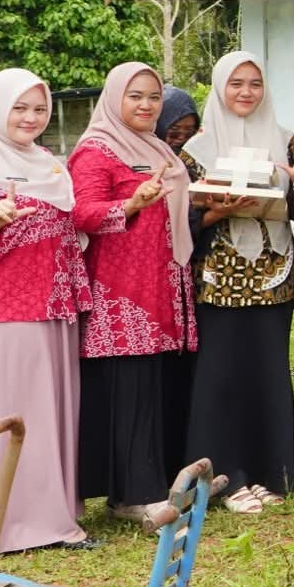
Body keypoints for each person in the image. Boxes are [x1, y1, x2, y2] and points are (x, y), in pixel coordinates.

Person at [0, 69, 95, 553]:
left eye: (39, 108)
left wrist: (128, 206)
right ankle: (8, 526)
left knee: (48, 412)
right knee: (15, 414)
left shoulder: (48, 165)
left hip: (53, 303)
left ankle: (52, 515)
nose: (31, 118)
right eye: (20, 108)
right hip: (5, 310)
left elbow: (74, 225)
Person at [182, 51, 294, 514]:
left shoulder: (286, 141)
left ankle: (268, 470)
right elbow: (187, 220)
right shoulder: (196, 149)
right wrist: (221, 208)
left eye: (254, 83)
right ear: (220, 87)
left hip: (274, 273)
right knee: (221, 377)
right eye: (236, 82)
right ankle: (226, 477)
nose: (245, 91)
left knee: (267, 371)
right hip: (219, 276)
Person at [69, 61, 196, 524]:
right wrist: (130, 205)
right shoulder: (96, 151)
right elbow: (81, 213)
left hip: (159, 284)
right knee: (128, 392)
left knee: (151, 388)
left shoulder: (158, 147)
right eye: (135, 96)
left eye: (153, 97)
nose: (146, 105)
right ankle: (134, 497)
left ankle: (139, 490)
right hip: (119, 292)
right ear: (114, 98)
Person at [157, 85, 200, 153]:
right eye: (174, 134)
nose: (181, 139)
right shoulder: (140, 153)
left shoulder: (197, 156)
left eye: (188, 134)